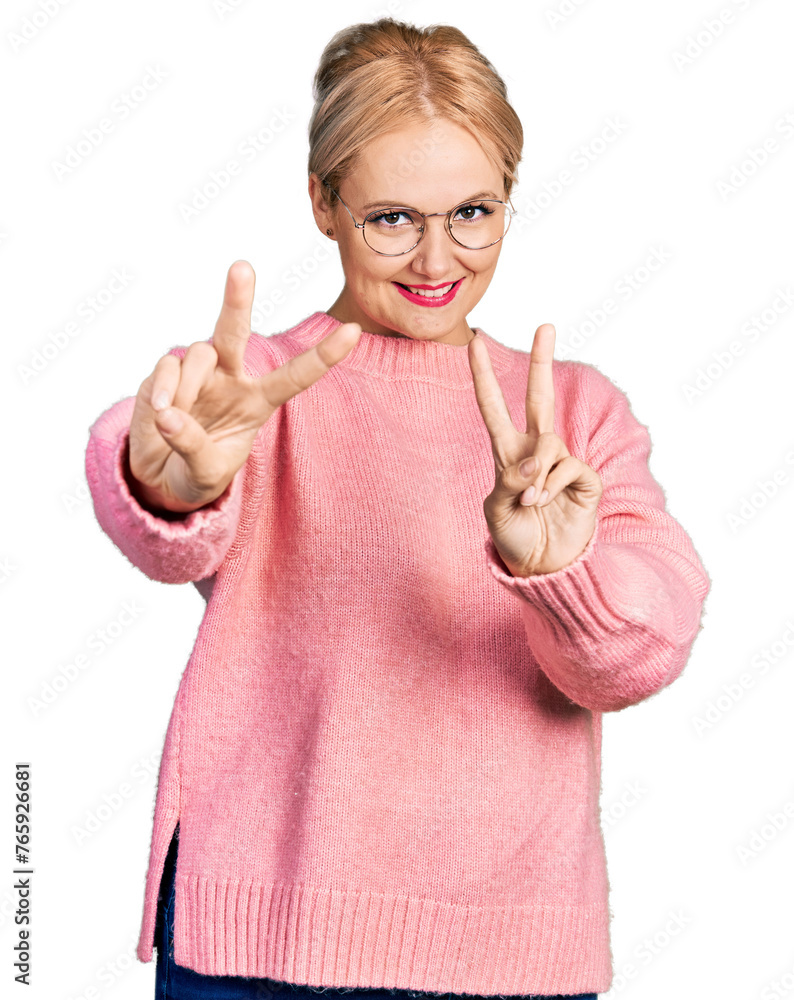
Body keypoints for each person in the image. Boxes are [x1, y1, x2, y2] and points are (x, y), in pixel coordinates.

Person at [84, 17, 710, 1000]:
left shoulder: (570, 416)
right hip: (257, 945)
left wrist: (559, 572)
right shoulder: (259, 385)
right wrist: (171, 476)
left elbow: (640, 651)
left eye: (471, 211)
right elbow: (156, 495)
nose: (433, 260)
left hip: (506, 959)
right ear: (323, 203)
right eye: (390, 218)